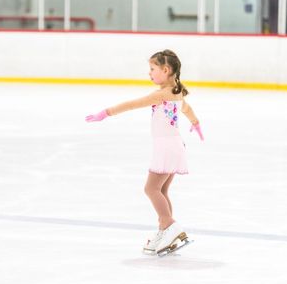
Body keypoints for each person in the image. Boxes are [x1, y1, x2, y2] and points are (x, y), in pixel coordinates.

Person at [85, 49, 203, 256]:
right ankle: (164, 231)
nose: (149, 73)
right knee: (162, 191)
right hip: (174, 145)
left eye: (152, 69)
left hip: (166, 147)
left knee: (151, 189)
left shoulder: (161, 94)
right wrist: (196, 123)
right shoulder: (176, 90)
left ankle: (170, 227)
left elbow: (132, 105)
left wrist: (105, 113)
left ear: (166, 70)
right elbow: (186, 108)